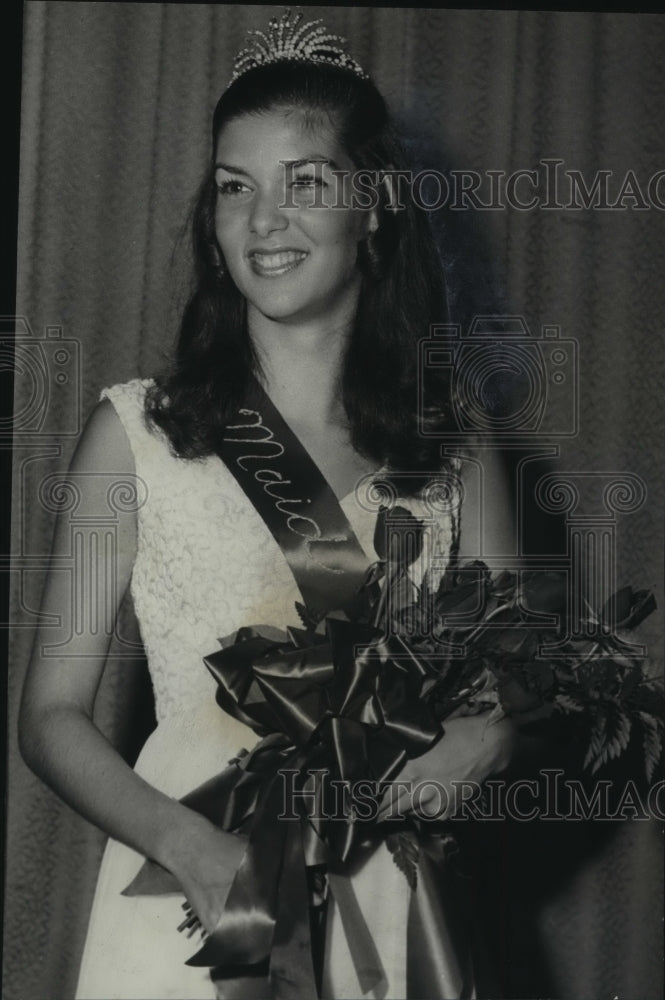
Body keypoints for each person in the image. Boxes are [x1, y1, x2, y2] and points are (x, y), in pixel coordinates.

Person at [19, 11, 518, 999]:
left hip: (382, 897)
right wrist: (189, 845)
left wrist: (492, 731)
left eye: (305, 184)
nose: (262, 222)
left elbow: (506, 673)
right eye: (234, 187)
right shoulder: (138, 433)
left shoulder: (449, 439)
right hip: (191, 897)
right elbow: (49, 718)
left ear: (370, 205)